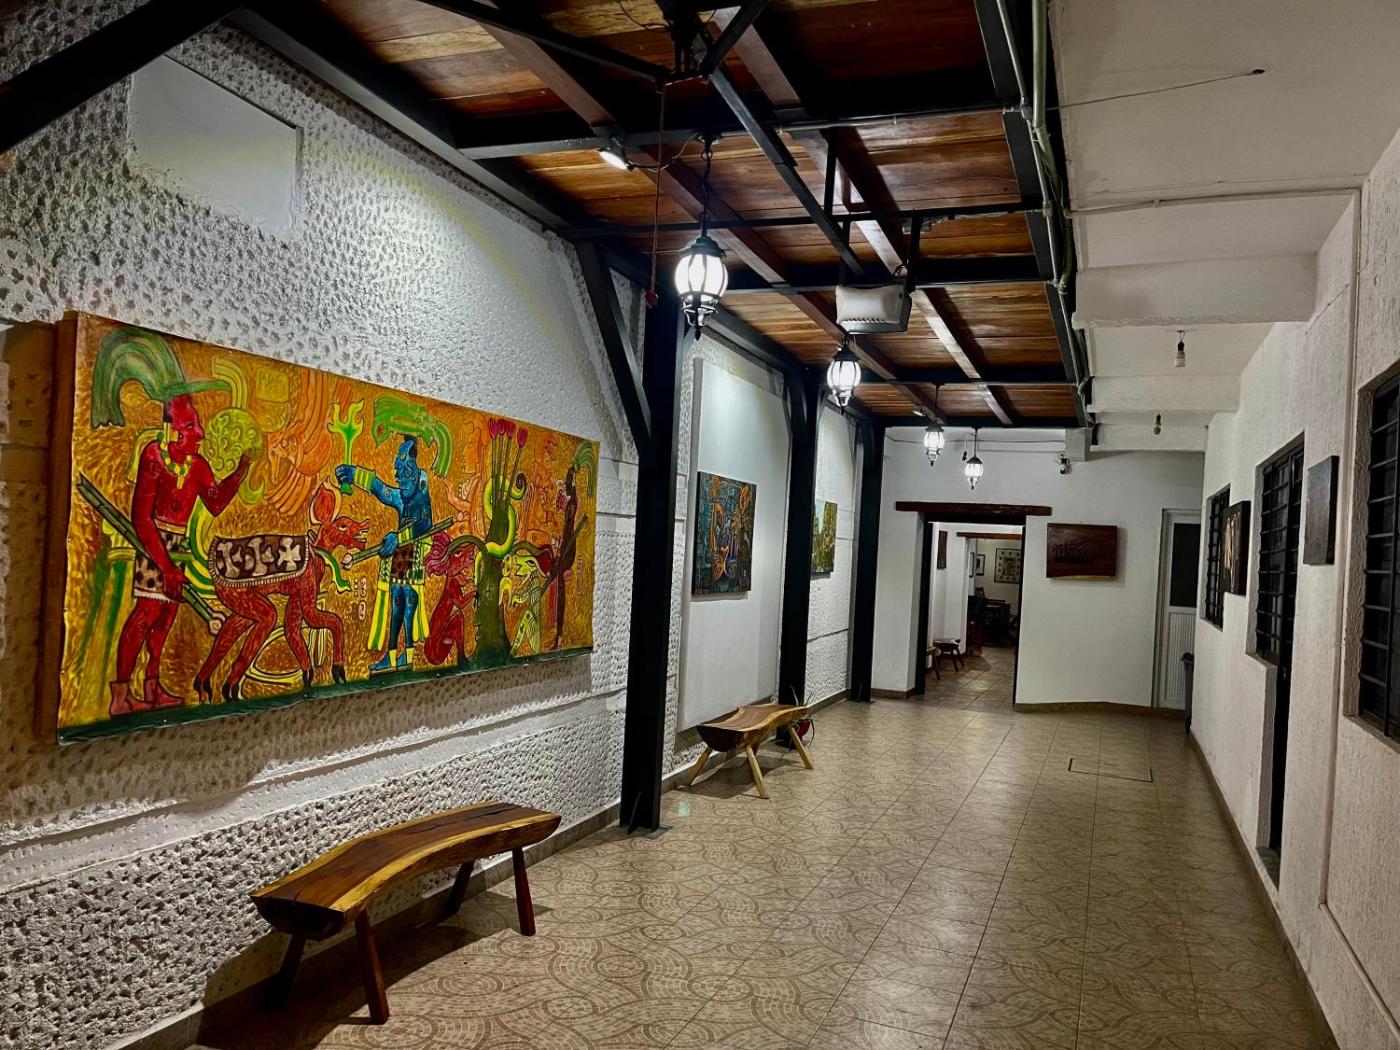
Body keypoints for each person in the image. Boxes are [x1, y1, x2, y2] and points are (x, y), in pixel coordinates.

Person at [111, 394, 248, 714]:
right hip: (154, 544)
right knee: (145, 614)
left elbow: (215, 503)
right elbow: (141, 518)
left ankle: (152, 685)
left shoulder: (197, 466)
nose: (199, 433)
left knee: (165, 619)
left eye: (196, 425)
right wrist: (165, 566)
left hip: (178, 547)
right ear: (170, 430)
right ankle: (120, 695)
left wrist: (239, 473)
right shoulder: (153, 457)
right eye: (190, 426)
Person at [335, 437, 434, 671]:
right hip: (401, 556)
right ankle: (392, 657)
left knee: (409, 600)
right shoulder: (403, 496)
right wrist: (354, 474)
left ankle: (407, 655)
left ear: (413, 471)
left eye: (404, 473)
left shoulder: (421, 491)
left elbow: (425, 524)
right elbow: (382, 489)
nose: (400, 478)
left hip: (412, 553)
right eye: (399, 474)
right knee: (397, 601)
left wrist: (398, 538)